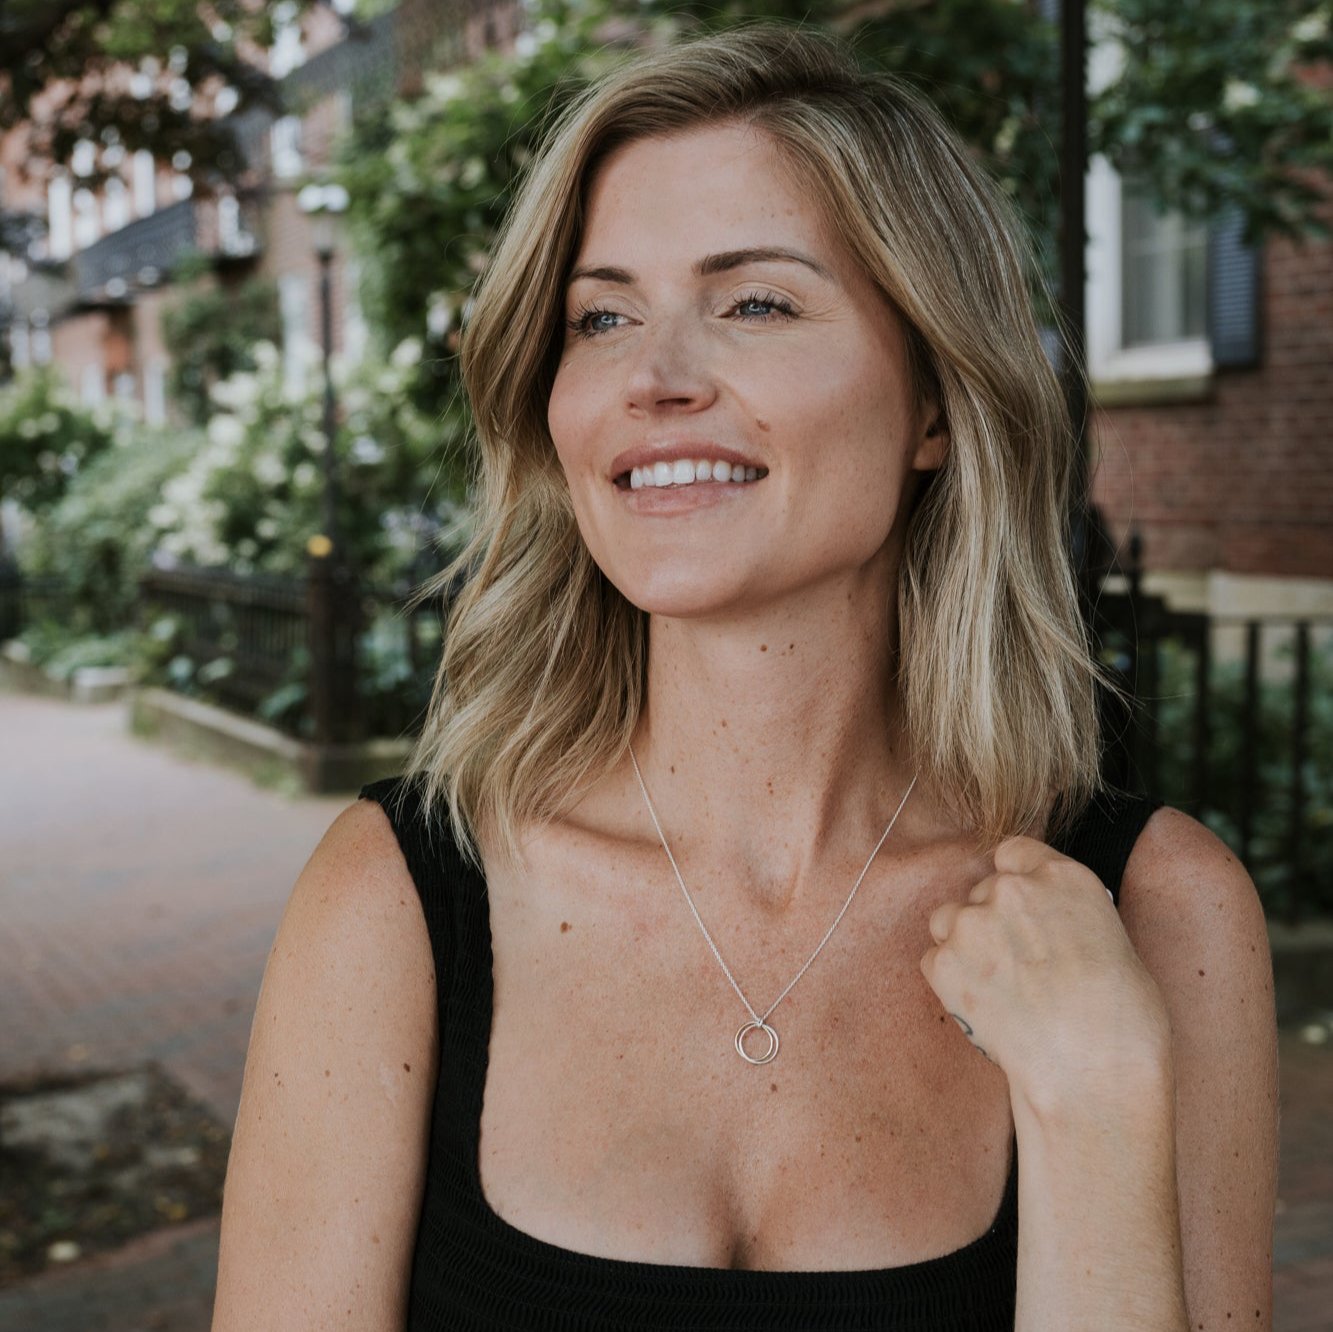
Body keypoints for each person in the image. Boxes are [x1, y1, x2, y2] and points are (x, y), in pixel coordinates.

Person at [212, 21, 1277, 1331]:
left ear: (935, 401)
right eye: (599, 316)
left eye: (753, 302)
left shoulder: (1159, 915)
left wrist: (1097, 1107)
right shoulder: (399, 899)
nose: (651, 380)